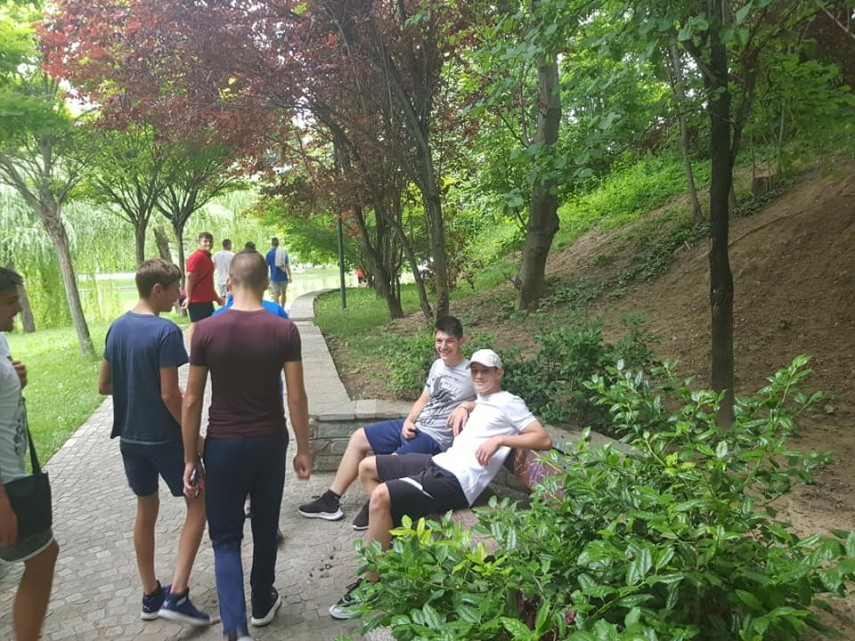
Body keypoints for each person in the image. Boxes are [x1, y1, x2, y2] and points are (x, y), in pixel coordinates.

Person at [329, 348, 552, 620]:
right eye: (475, 370)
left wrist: (500, 440)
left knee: (381, 496)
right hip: (440, 462)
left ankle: (371, 584)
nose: (479, 375)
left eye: (485, 370)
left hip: (457, 481)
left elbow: (543, 438)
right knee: (367, 467)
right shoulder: (484, 400)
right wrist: (465, 406)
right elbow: (482, 405)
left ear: (499, 373)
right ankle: (391, 538)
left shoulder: (510, 402)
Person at [181, 250, 312, 641]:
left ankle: (235, 628)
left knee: (225, 538)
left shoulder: (205, 330)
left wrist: (190, 457)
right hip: (270, 442)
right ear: (267, 282)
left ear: (228, 283)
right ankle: (261, 600)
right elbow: (296, 397)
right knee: (266, 525)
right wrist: (303, 449)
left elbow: (191, 400)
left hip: (222, 444)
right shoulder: (284, 330)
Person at [98, 259, 210, 626]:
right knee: (199, 504)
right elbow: (169, 394)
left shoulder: (116, 328)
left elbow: (104, 385)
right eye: (176, 288)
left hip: (130, 439)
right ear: (157, 290)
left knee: (145, 512)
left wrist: (135, 383)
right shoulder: (165, 331)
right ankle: (177, 594)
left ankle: (150, 595)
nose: (181, 294)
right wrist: (197, 440)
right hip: (165, 440)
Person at [298, 315, 476, 530]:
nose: (443, 346)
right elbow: (423, 399)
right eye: (439, 340)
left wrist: (467, 406)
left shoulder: (471, 372)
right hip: (416, 426)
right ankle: (331, 500)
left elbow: (492, 400)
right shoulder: (438, 365)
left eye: (449, 341)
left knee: (383, 465)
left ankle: (380, 510)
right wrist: (409, 420)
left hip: (433, 439)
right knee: (358, 437)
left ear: (461, 341)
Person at [0, 268, 60, 641]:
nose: (19, 308)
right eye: (10, 302)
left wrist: (14, 378)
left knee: (43, 556)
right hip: (6, 484)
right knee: (42, 556)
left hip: (12, 474)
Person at [181, 232, 224, 348]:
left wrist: (216, 298)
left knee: (209, 325)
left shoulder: (206, 256)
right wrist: (188, 297)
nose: (208, 243)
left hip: (206, 299)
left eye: (210, 241)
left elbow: (207, 282)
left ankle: (206, 348)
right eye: (205, 241)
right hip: (197, 300)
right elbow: (189, 277)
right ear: (199, 242)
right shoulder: (197, 257)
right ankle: (193, 350)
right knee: (196, 325)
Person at [264, 237, 291, 306]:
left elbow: (266, 267)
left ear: (272, 244)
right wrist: (290, 276)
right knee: (284, 293)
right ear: (278, 244)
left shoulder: (269, 254)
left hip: (274, 277)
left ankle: (277, 310)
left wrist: (267, 276)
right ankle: (283, 308)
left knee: (276, 293)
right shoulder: (283, 252)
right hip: (283, 277)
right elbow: (287, 265)